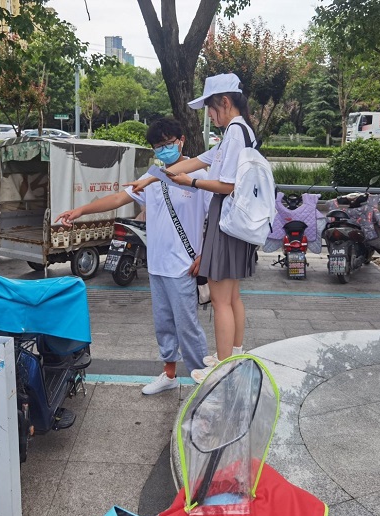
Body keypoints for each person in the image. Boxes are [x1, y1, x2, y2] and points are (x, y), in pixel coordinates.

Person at [55, 118, 211, 394]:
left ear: (182, 141)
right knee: (163, 324)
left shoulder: (198, 175)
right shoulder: (152, 177)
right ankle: (169, 375)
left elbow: (216, 215)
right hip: (157, 264)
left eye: (168, 143)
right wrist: (79, 211)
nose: (164, 149)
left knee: (188, 327)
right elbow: (118, 199)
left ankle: (207, 384)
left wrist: (205, 255)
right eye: (158, 146)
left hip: (184, 266)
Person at [126, 73, 258, 383]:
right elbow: (196, 161)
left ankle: (222, 365)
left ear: (224, 102)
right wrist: (153, 178)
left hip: (227, 222)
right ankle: (234, 354)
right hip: (239, 224)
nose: (210, 115)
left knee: (221, 300)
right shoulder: (243, 132)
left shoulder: (234, 132)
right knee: (233, 298)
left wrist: (192, 183)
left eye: (211, 108)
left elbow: (227, 185)